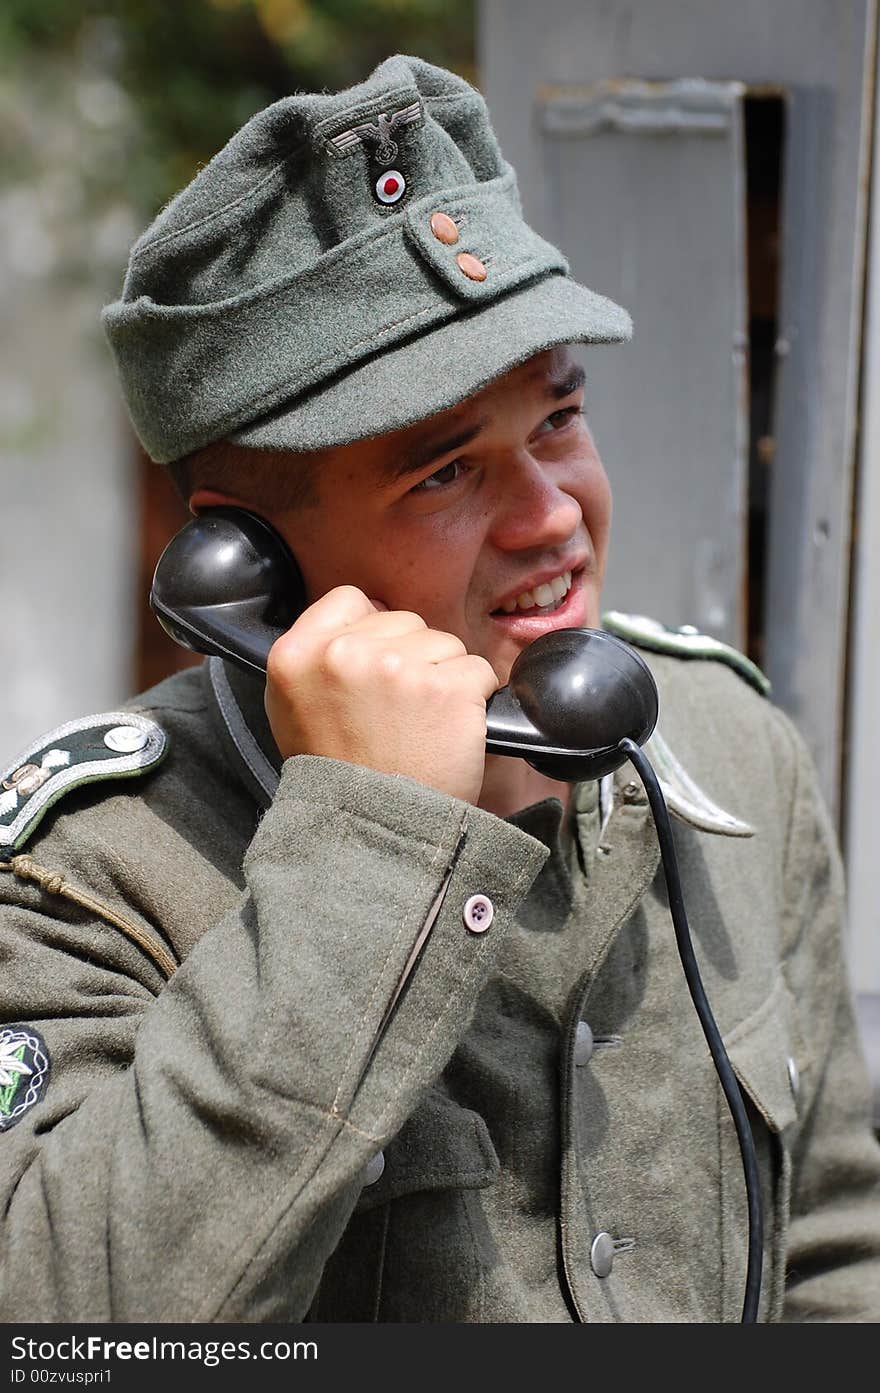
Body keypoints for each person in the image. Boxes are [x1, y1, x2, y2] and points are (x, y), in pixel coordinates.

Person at [1, 53, 879, 1325]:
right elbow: (74, 1327)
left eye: (558, 424)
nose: (551, 517)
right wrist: (370, 848)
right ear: (246, 557)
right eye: (445, 475)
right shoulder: (90, 872)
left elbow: (834, 1262)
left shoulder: (731, 753)